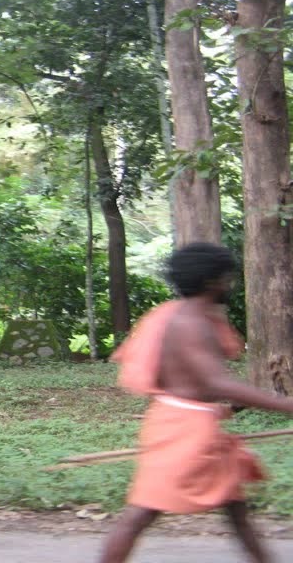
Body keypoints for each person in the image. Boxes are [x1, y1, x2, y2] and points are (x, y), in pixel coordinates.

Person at [100, 241, 293, 563]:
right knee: (142, 511)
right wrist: (287, 405)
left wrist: (227, 409)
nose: (229, 284)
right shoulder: (191, 322)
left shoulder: (185, 316)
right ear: (209, 282)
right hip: (182, 431)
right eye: (226, 277)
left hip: (194, 424)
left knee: (236, 511)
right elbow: (214, 381)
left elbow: (194, 383)